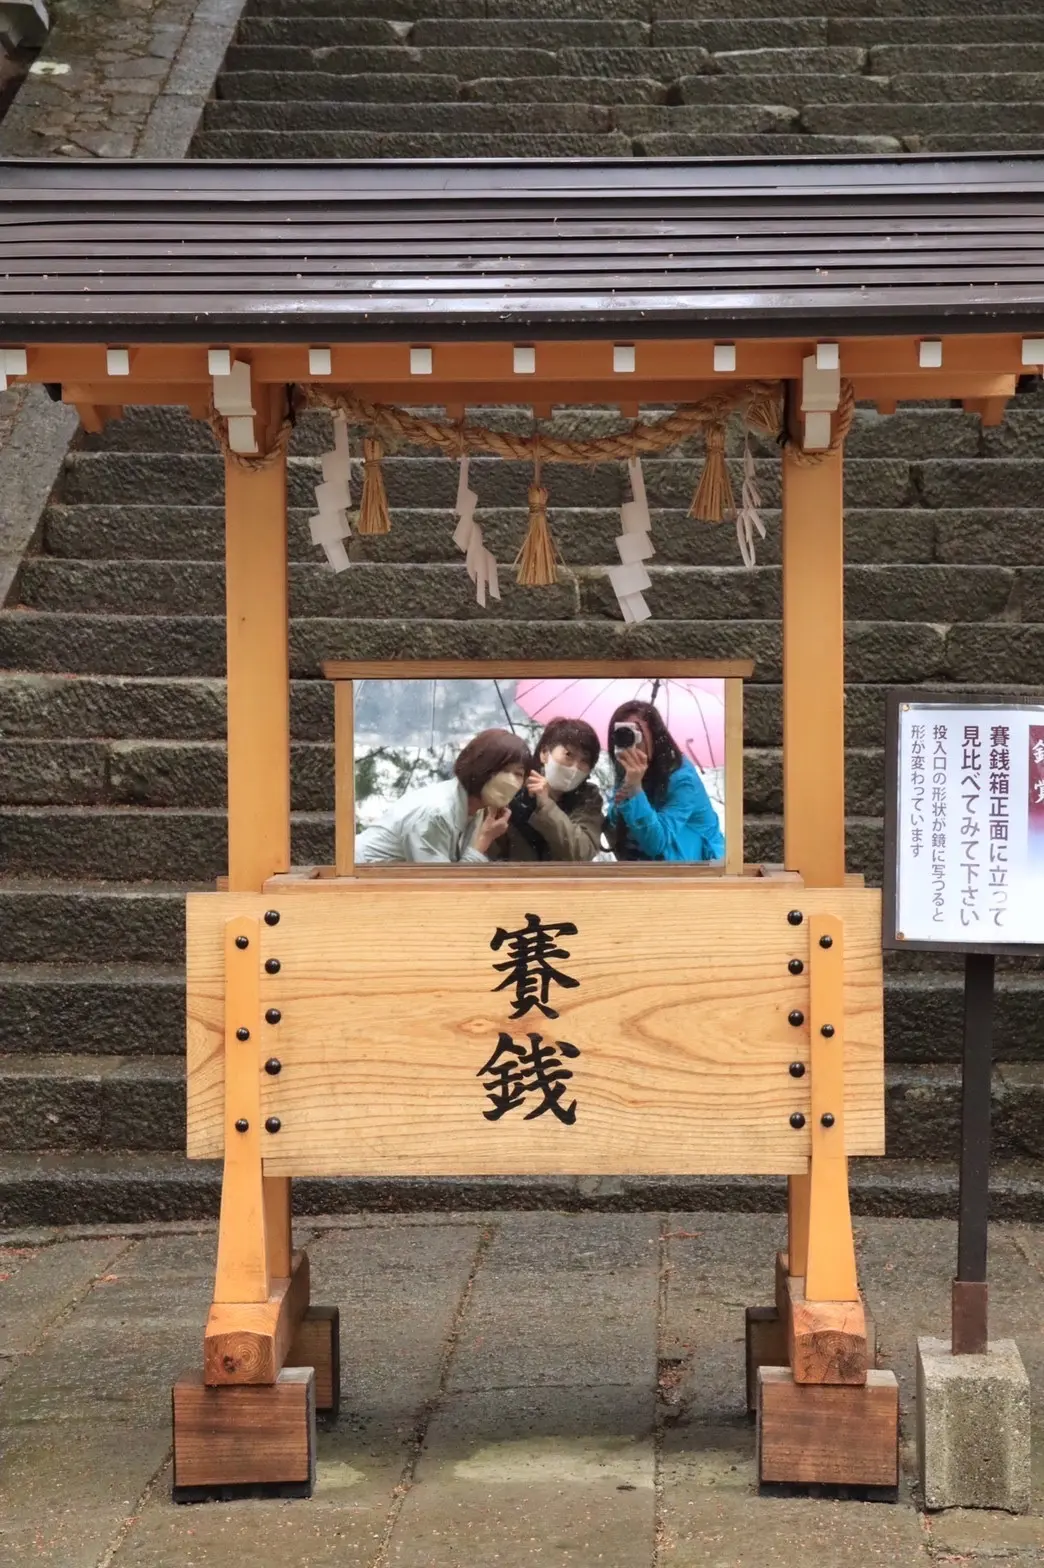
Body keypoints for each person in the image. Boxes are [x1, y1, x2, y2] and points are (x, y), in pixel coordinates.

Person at [355, 728, 527, 863]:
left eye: (519, 774)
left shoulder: (477, 810)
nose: (511, 782)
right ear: (481, 767)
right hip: (357, 885)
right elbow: (445, 886)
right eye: (504, 770)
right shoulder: (437, 812)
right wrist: (484, 839)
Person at [605, 700, 724, 863]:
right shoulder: (626, 767)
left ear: (654, 737)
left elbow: (656, 842)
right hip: (646, 867)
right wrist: (621, 802)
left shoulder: (682, 780)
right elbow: (613, 820)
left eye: (633, 734)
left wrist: (634, 790)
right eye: (621, 735)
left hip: (696, 866)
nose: (629, 743)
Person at [495, 717, 604, 862]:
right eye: (568, 755)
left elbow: (581, 853)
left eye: (584, 761)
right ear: (545, 753)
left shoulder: (588, 798)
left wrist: (547, 806)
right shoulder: (515, 788)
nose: (575, 767)